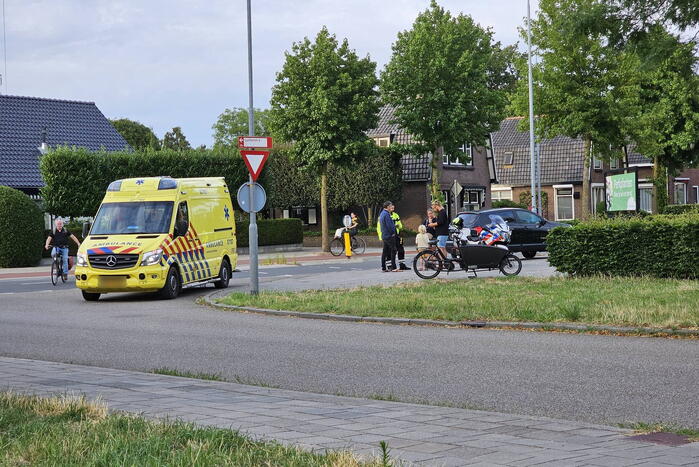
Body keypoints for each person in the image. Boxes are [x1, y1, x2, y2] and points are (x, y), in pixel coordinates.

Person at [377, 201, 399, 272]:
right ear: (387, 207)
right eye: (390, 206)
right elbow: (390, 226)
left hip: (384, 235)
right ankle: (394, 267)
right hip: (389, 235)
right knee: (394, 250)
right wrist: (393, 232)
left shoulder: (382, 214)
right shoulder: (387, 214)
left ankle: (383, 267)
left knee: (385, 252)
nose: (391, 207)